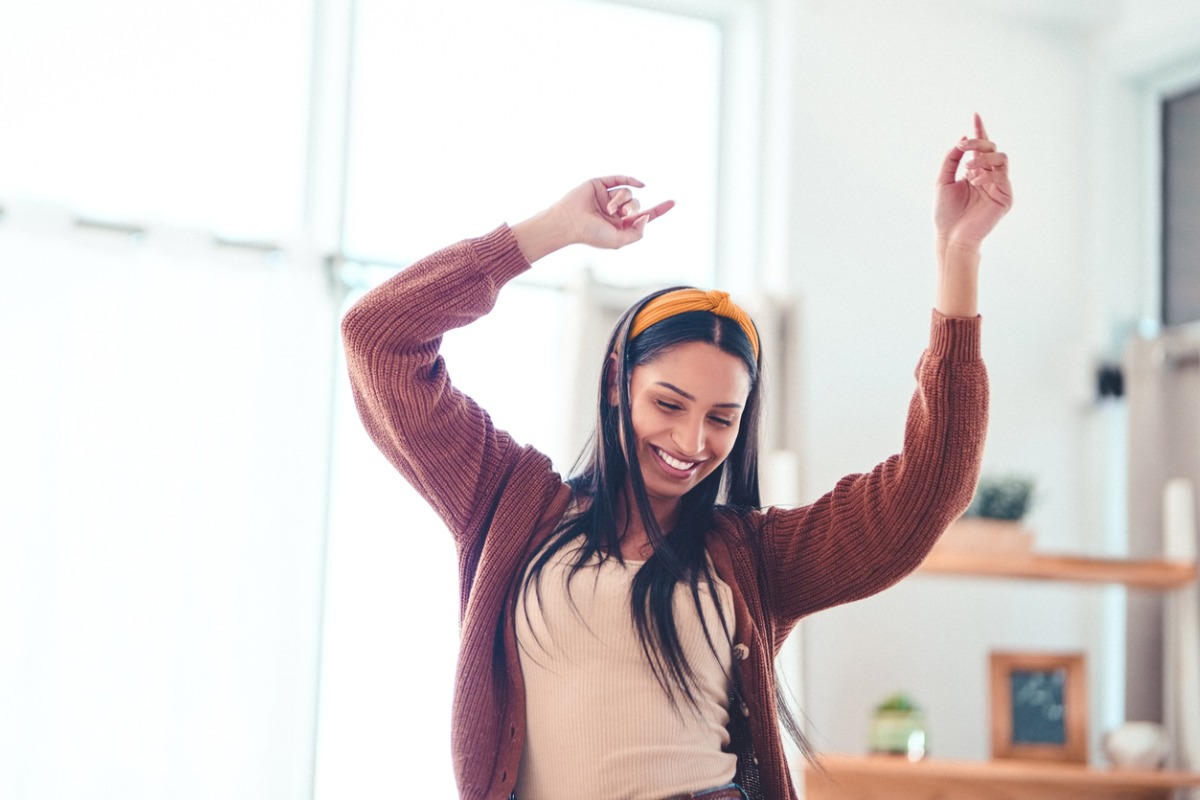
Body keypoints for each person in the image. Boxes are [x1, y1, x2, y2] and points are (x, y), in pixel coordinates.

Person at [340, 114, 1011, 800]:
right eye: (669, 404)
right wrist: (549, 232)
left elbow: (933, 485)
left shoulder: (757, 557)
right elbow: (377, 338)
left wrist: (958, 255)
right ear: (615, 382)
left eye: (722, 418)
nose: (692, 443)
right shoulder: (508, 501)